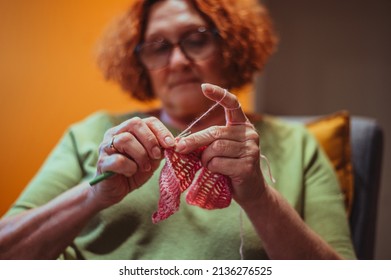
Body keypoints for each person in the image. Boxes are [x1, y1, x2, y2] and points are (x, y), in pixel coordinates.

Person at [0, 0, 356, 260]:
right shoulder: (93, 134)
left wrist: (261, 199)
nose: (178, 61)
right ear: (139, 62)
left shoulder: (298, 145)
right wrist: (94, 196)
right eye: (158, 47)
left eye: (197, 39)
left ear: (230, 46)